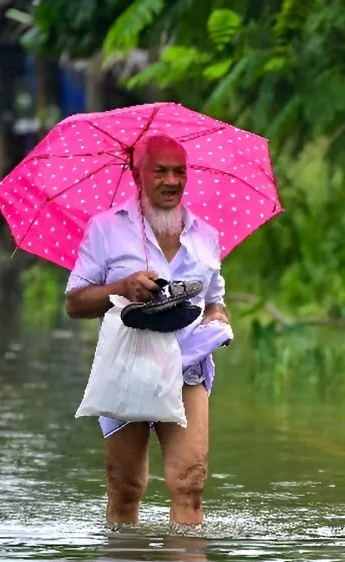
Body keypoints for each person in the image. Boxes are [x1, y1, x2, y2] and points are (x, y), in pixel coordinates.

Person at [65, 134, 231, 528]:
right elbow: (74, 303)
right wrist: (121, 288)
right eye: (160, 171)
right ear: (138, 175)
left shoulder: (205, 235)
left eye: (180, 171)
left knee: (190, 483)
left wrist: (218, 316)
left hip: (187, 368)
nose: (172, 181)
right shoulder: (106, 229)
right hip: (127, 368)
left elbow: (215, 297)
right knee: (125, 487)